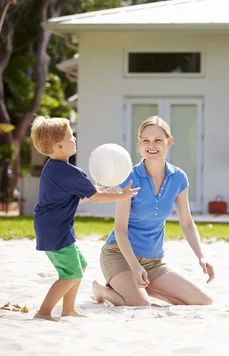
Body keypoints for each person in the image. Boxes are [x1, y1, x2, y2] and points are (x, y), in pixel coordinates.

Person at [92, 116, 215, 307]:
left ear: (169, 141)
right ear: (139, 143)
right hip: (120, 256)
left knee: (203, 301)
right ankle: (102, 290)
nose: (152, 145)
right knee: (141, 305)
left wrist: (201, 256)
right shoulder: (129, 177)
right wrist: (134, 267)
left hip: (154, 262)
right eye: (146, 141)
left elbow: (187, 222)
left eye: (158, 140)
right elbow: (120, 230)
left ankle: (140, 288)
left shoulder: (179, 178)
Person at [31, 116, 140, 322]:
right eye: (70, 136)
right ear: (59, 145)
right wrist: (121, 195)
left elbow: (74, 198)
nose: (74, 138)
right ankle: (44, 312)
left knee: (78, 266)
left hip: (51, 227)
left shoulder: (53, 168)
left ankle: (68, 310)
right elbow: (96, 198)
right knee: (71, 274)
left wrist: (93, 192)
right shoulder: (70, 173)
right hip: (55, 229)